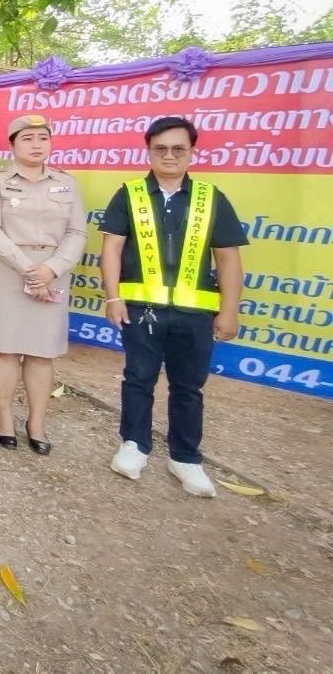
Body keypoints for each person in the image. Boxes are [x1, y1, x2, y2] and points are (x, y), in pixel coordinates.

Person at [101, 115, 247, 497]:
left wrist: (229, 310)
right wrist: (113, 297)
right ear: (149, 151)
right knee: (138, 378)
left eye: (178, 148)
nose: (169, 155)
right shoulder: (129, 194)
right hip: (141, 308)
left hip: (195, 313)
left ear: (191, 152)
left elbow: (228, 257)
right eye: (160, 148)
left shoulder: (210, 197)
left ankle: (185, 457)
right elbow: (112, 248)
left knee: (189, 387)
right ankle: (134, 444)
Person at [0, 115, 86, 454]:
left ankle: (36, 422)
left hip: (53, 272)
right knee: (6, 349)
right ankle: (4, 417)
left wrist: (51, 269)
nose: (37, 145)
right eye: (28, 138)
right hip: (10, 273)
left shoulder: (66, 183)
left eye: (42, 138)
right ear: (12, 145)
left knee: (42, 352)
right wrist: (28, 269)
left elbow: (77, 232)